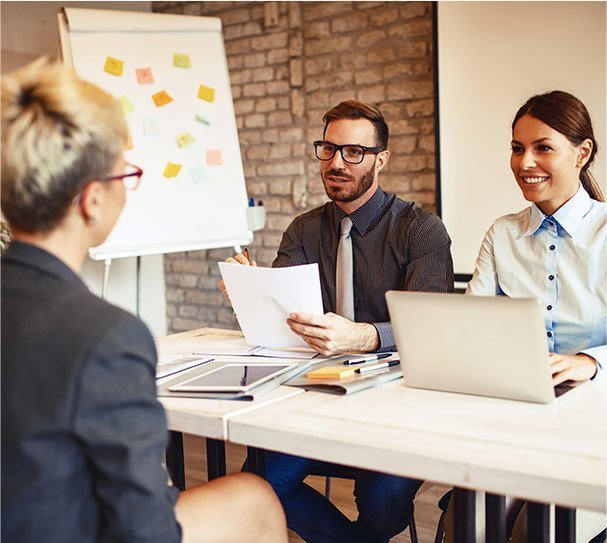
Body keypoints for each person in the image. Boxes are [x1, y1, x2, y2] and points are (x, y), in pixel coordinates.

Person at [1, 58, 288, 543]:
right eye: (125, 176)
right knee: (254, 500)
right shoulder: (106, 336)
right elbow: (142, 529)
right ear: (92, 199)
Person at [221, 100, 454, 542]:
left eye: (353, 152)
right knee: (260, 484)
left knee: (385, 506)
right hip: (316, 395)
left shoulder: (421, 230)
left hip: (395, 403)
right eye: (327, 150)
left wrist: (362, 337)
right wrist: (249, 297)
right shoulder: (304, 231)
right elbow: (282, 323)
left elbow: (432, 332)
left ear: (380, 159)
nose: (336, 163)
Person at [444, 90, 606, 542]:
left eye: (543, 147)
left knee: (534, 530)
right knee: (471, 523)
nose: (525, 161)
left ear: (583, 153)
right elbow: (469, 329)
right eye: (517, 148)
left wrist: (590, 361)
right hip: (515, 414)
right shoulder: (503, 234)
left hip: (593, 420)